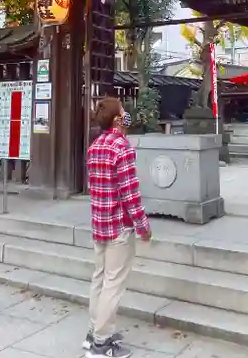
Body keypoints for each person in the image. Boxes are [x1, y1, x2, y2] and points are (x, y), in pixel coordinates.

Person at [84, 97, 151, 358]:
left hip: (99, 223)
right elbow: (130, 193)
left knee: (99, 279)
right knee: (113, 283)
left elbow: (95, 188)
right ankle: (102, 343)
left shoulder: (95, 146)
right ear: (116, 119)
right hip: (119, 226)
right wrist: (143, 226)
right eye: (123, 111)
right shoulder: (121, 147)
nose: (127, 115)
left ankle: (94, 332)